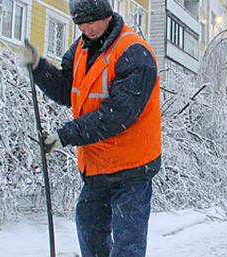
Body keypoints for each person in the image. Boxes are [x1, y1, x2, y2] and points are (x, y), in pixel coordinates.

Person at [21, 1, 161, 256]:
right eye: (80, 23)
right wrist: (39, 68)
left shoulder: (134, 53)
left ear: (106, 15)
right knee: (89, 228)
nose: (87, 28)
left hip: (132, 168)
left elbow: (118, 114)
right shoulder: (81, 49)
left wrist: (64, 135)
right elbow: (67, 90)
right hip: (97, 166)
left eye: (92, 20)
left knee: (127, 243)